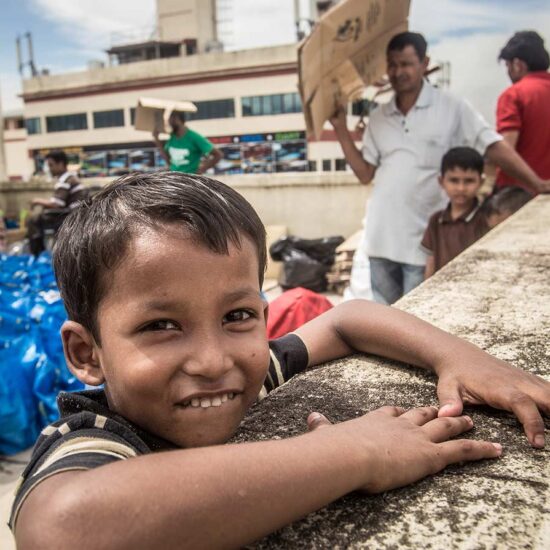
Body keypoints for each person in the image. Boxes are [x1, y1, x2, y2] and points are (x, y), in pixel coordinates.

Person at [11, 172, 550, 549]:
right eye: (160, 326)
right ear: (88, 353)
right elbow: (66, 528)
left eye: (238, 315)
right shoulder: (93, 437)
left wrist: (460, 357)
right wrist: (352, 451)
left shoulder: (251, 371)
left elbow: (348, 318)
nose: (211, 359)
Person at [331, 32, 550, 305]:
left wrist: (537, 183)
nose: (398, 72)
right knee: (382, 327)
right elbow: (365, 173)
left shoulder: (452, 108)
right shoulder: (378, 117)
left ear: (424, 63)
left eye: (406, 64)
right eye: (393, 64)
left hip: (422, 242)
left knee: (415, 323)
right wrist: (340, 129)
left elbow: (493, 145)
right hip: (380, 241)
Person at [496, 31, 550, 194]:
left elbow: (506, 150)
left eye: (508, 66)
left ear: (518, 64)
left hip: (520, 195)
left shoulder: (514, 95)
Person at [421, 147, 488, 279]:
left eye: (469, 181)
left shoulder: (485, 219)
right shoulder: (436, 220)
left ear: (481, 182)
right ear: (441, 181)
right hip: (441, 290)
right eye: (454, 180)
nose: (461, 188)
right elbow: (431, 262)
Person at [26, 150, 85, 255]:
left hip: (70, 215)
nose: (49, 169)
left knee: (33, 220)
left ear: (61, 164)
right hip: (74, 213)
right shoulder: (70, 178)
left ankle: (37, 252)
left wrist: (36, 201)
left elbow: (57, 203)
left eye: (51, 165)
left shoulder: (66, 180)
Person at [152, 110, 222, 173]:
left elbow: (218, 154)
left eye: (169, 120)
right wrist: (156, 139)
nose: (168, 124)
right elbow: (168, 161)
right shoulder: (172, 137)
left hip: (190, 182)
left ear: (176, 118)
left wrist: (201, 170)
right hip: (175, 180)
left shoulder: (194, 137)